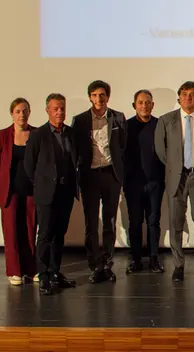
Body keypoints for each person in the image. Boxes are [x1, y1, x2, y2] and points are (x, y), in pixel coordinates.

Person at [155, 81, 194, 282]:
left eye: (192, 94)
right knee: (176, 224)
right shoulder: (166, 120)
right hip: (177, 177)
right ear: (179, 98)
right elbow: (161, 150)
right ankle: (178, 265)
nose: (188, 98)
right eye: (184, 94)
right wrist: (176, 167)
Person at [71, 80, 127, 283]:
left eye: (102, 95)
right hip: (90, 176)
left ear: (108, 97)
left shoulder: (118, 117)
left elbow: (122, 147)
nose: (98, 99)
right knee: (91, 223)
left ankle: (107, 263)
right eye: (94, 95)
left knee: (110, 222)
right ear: (89, 97)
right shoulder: (80, 120)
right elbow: (75, 150)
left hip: (111, 175)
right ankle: (94, 265)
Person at [24, 93, 79, 295]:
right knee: (45, 235)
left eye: (62, 108)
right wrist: (42, 185)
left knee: (59, 235)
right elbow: (29, 166)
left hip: (66, 192)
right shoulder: (38, 135)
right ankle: (44, 275)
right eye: (55, 108)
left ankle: (56, 272)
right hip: (46, 193)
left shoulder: (71, 134)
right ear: (47, 110)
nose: (59, 112)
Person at [0, 97, 37, 285]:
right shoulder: (1, 136)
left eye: (25, 110)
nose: (22, 114)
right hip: (9, 191)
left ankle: (31, 270)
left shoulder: (36, 134)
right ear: (12, 114)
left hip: (31, 190)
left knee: (30, 229)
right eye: (18, 111)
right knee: (11, 231)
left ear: (29, 113)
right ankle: (14, 271)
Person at [123, 90, 165, 274]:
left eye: (147, 102)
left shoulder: (159, 125)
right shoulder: (126, 126)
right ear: (134, 105)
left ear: (153, 105)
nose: (144, 106)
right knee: (135, 221)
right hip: (133, 183)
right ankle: (136, 259)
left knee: (154, 221)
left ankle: (155, 258)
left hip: (155, 181)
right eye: (140, 102)